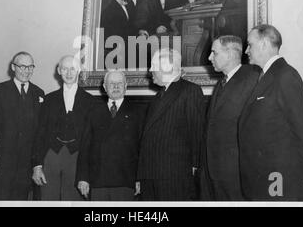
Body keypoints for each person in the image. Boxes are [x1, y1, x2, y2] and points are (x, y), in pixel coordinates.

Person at [239, 24, 303, 201]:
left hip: (278, 176)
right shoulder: (265, 76)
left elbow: (301, 130)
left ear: (264, 44)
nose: (246, 50)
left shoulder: (286, 76)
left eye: (250, 45)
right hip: (262, 175)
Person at [137, 48, 205, 200]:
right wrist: (141, 176)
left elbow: (197, 132)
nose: (150, 70)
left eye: (153, 65)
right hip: (151, 175)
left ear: (166, 67)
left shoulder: (190, 91)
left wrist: (195, 167)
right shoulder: (158, 97)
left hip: (174, 175)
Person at [200, 35, 259, 201]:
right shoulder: (221, 83)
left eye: (214, 53)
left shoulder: (252, 79)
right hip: (213, 172)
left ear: (231, 54)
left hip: (235, 175)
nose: (210, 57)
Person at [32, 55, 96, 200]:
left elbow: (90, 139)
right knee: (48, 198)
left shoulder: (90, 101)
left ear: (79, 70)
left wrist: (85, 174)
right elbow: (40, 134)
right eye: (65, 69)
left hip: (77, 158)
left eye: (72, 69)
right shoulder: (48, 100)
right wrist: (37, 166)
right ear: (59, 71)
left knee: (73, 200)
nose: (68, 73)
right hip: (51, 155)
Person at [76, 70, 143, 201]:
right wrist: (83, 177)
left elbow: (143, 149)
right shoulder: (93, 112)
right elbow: (85, 148)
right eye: (111, 83)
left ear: (126, 86)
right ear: (105, 87)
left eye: (119, 83)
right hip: (98, 180)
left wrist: (140, 178)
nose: (116, 86)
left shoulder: (138, 112)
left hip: (126, 180)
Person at [0, 52, 44, 200]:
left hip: (25, 165)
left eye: (30, 67)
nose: (26, 71)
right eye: (22, 66)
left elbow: (39, 133)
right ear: (13, 67)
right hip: (2, 161)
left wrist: (36, 164)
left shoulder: (39, 93)